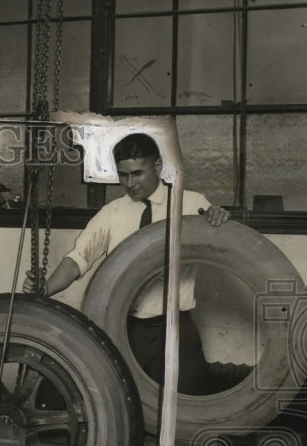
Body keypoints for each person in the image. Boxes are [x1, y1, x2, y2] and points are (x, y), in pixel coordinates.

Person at [23, 133, 230, 395]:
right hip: (124, 330)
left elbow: (223, 242)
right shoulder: (112, 213)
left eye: (137, 173)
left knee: (190, 403)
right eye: (123, 175)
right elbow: (78, 259)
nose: (130, 183)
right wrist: (44, 289)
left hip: (176, 330)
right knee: (121, 404)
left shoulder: (191, 204)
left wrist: (218, 218)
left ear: (157, 166)